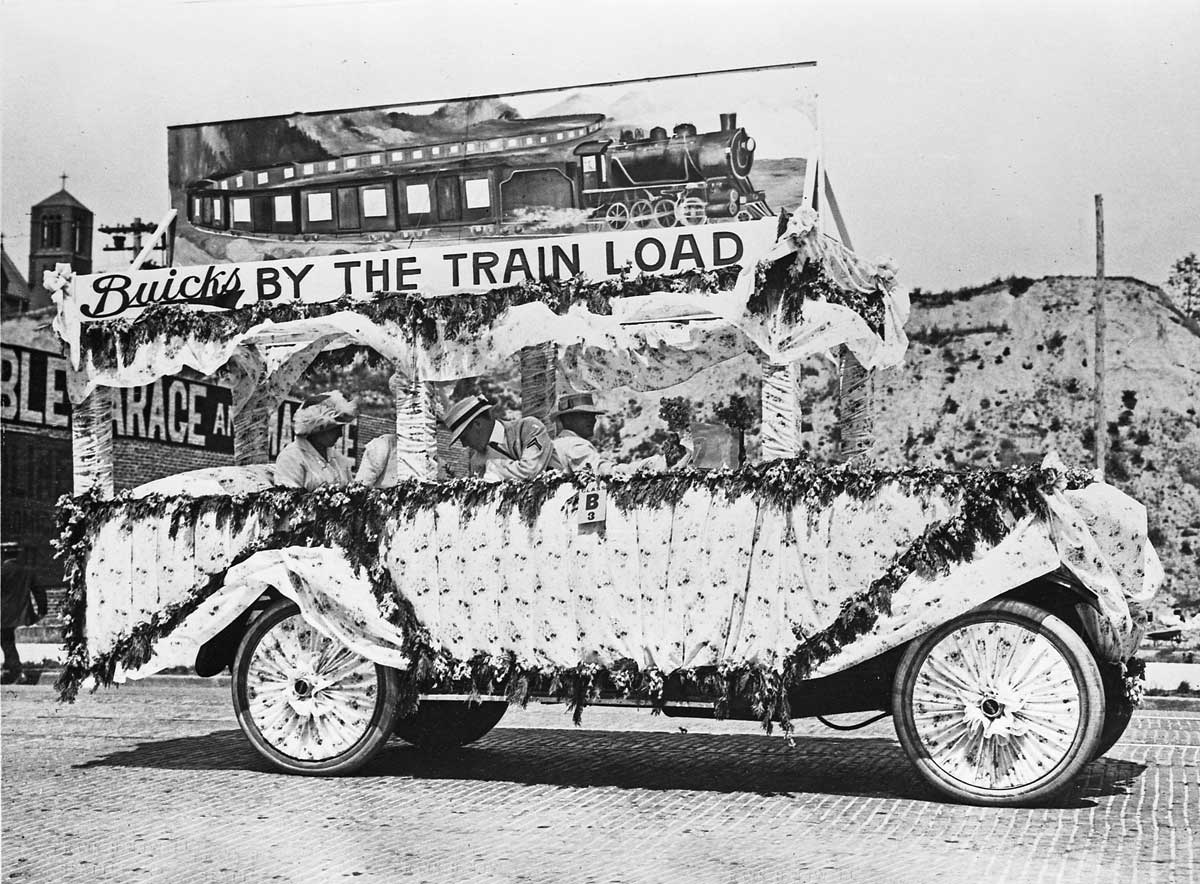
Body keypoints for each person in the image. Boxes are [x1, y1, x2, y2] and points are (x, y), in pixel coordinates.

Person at [442, 394, 553, 482]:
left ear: (477, 424)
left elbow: (531, 471)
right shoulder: (476, 461)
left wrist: (492, 467)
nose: (464, 444)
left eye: (464, 437)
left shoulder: (529, 428)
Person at [274, 391, 357, 490]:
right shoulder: (291, 458)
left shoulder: (339, 459)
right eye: (335, 429)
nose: (340, 434)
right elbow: (288, 496)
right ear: (318, 428)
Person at [1, 541, 47, 685]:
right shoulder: (27, 571)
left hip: (3, 613)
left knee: (6, 641)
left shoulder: (2, 571)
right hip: (22, 611)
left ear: (3, 554)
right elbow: (39, 590)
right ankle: (9, 670)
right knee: (7, 640)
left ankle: (17, 672)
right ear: (17, 554)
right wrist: (42, 610)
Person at [548, 392, 617, 476]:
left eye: (593, 416)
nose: (592, 420)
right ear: (567, 418)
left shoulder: (558, 443)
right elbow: (597, 467)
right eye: (585, 415)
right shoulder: (574, 443)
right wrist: (626, 470)